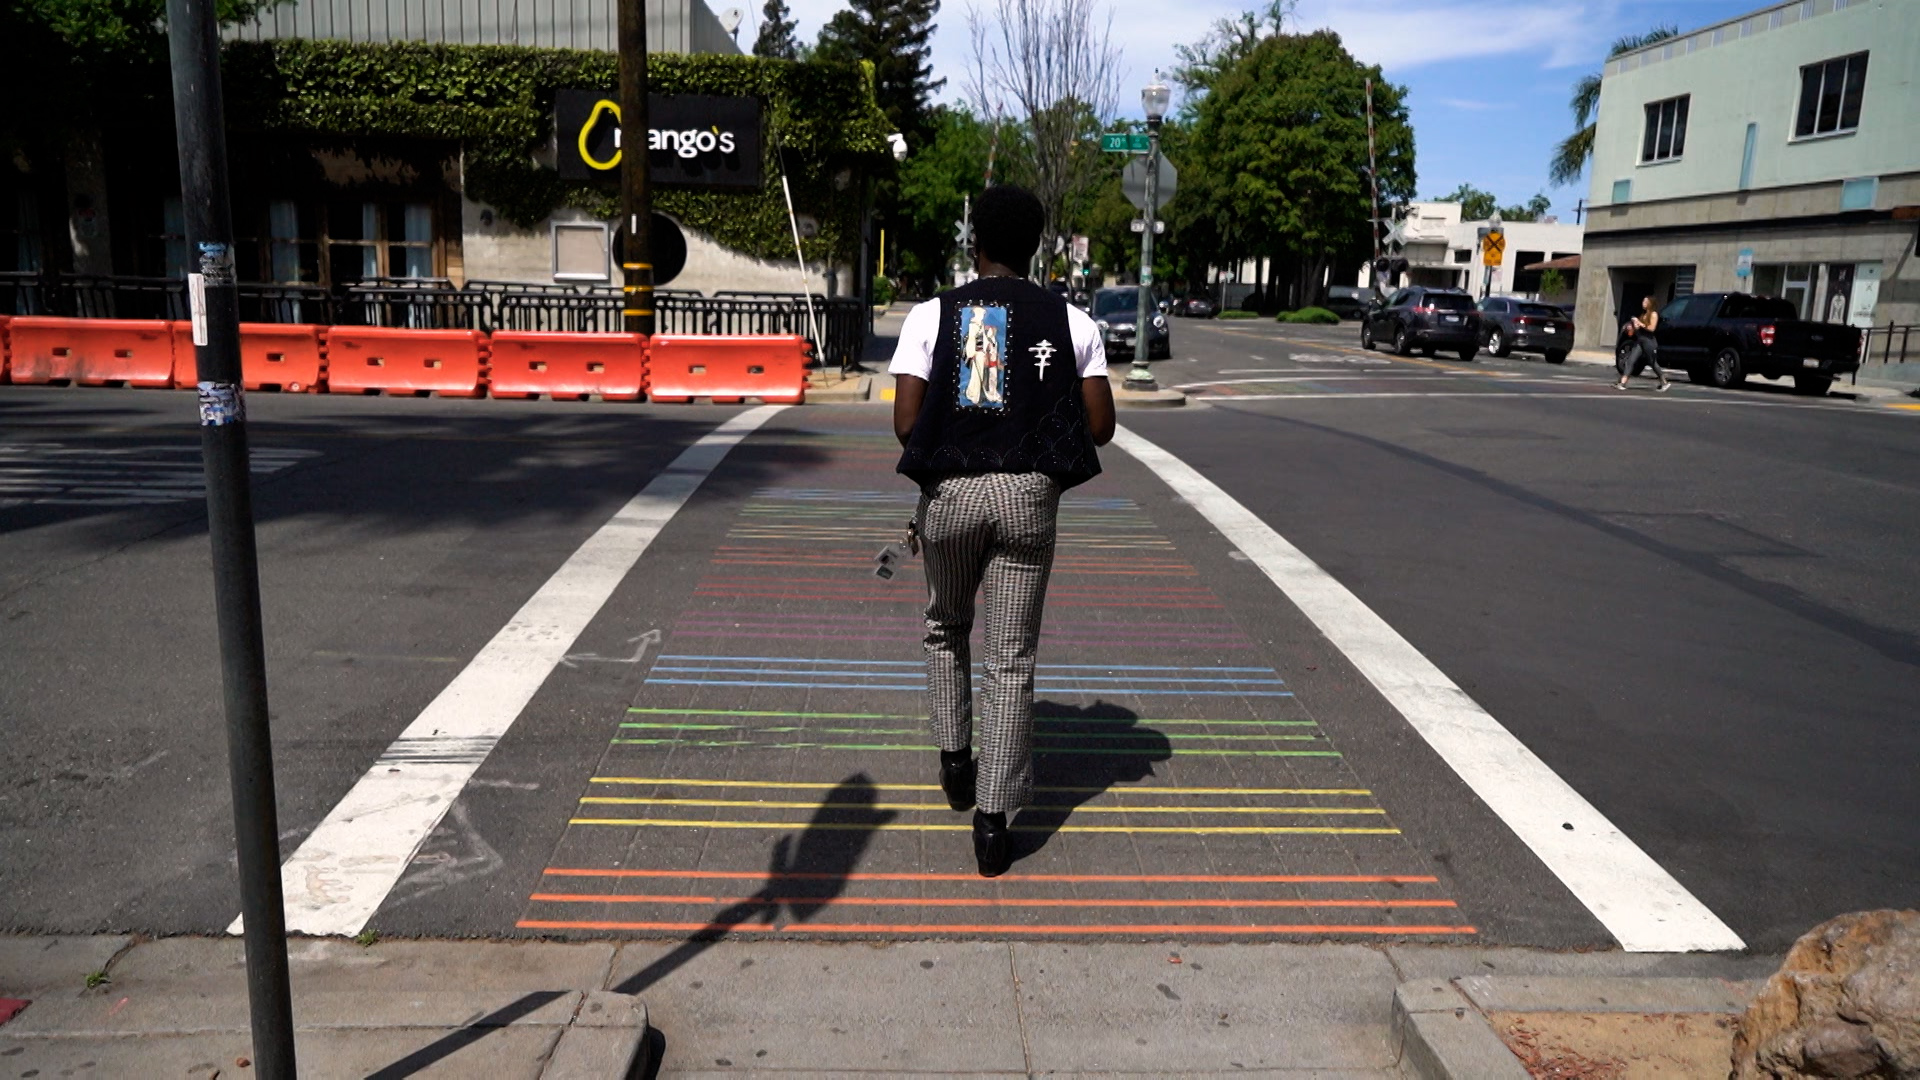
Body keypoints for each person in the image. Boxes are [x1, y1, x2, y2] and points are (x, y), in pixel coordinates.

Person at [889, 184, 1117, 877]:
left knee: (946, 623)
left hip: (952, 497)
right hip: (1029, 501)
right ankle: (992, 825)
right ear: (1036, 244)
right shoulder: (1071, 322)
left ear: (974, 242)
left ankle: (956, 758)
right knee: (1011, 657)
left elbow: (905, 422)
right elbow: (1101, 426)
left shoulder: (934, 315)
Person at [1617, 295, 1670, 392]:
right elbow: (1639, 330)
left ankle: (1664, 382)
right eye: (1643, 301)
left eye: (1645, 302)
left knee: (1652, 363)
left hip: (1649, 342)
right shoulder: (1643, 314)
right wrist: (1633, 326)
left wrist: (1640, 324)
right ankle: (1623, 382)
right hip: (1640, 341)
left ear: (1650, 303)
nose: (1643, 303)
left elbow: (1651, 328)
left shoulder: (1654, 314)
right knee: (1630, 360)